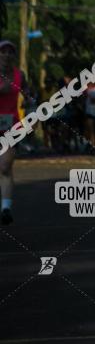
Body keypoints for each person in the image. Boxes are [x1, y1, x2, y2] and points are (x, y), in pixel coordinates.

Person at [0, 40, 34, 225]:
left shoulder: (18, 75)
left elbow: (27, 92)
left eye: (10, 52)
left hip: (10, 126)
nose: (6, 55)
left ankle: (5, 208)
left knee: (5, 167)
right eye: (3, 51)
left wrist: (29, 99)